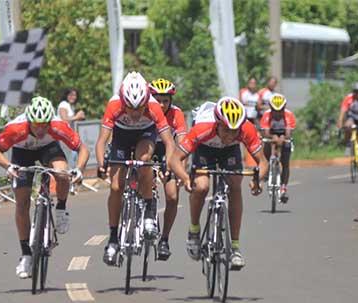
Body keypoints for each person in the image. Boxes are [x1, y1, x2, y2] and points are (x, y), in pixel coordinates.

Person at [0, 96, 89, 279]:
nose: (41, 129)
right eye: (36, 125)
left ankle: (61, 208)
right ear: (29, 121)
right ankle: (26, 254)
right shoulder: (15, 128)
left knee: (61, 173)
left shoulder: (57, 126)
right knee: (22, 202)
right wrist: (8, 166)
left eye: (45, 125)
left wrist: (80, 170)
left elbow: (83, 149)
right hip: (22, 153)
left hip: (49, 149)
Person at [169, 97, 268, 270]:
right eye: (226, 130)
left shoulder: (246, 130)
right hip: (205, 150)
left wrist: (257, 180)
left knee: (235, 186)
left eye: (234, 131)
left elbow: (263, 163)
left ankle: (235, 248)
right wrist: (185, 178)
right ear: (217, 124)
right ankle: (194, 230)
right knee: (201, 187)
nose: (230, 135)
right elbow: (175, 160)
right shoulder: (202, 128)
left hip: (229, 153)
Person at [95, 71, 176, 266]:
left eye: (140, 108)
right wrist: (100, 164)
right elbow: (101, 141)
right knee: (115, 187)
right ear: (123, 102)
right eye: (130, 108)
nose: (135, 113)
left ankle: (149, 210)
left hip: (145, 134)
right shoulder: (114, 105)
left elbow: (169, 143)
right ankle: (113, 239)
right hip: (121, 136)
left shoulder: (154, 107)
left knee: (145, 159)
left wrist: (168, 163)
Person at [148, 78, 187, 260]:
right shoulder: (145, 109)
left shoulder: (177, 114)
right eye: (158, 100)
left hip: (168, 151)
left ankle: (164, 239)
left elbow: (182, 146)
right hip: (146, 147)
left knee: (172, 196)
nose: (162, 105)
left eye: (165, 100)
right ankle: (142, 209)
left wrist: (181, 172)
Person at [260, 94, 296, 203]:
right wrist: (273, 137)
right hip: (271, 134)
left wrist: (283, 138)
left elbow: (288, 134)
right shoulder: (266, 115)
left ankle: (283, 187)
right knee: (266, 144)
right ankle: (266, 168)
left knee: (285, 162)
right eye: (275, 110)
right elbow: (266, 133)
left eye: (281, 110)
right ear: (271, 108)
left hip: (284, 135)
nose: (278, 113)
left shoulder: (289, 115)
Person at [57, 88, 86, 168]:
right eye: (71, 95)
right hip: (63, 137)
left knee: (74, 157)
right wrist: (77, 117)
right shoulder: (63, 104)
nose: (73, 97)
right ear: (66, 95)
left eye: (75, 95)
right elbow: (64, 119)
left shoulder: (70, 106)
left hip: (69, 136)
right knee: (68, 157)